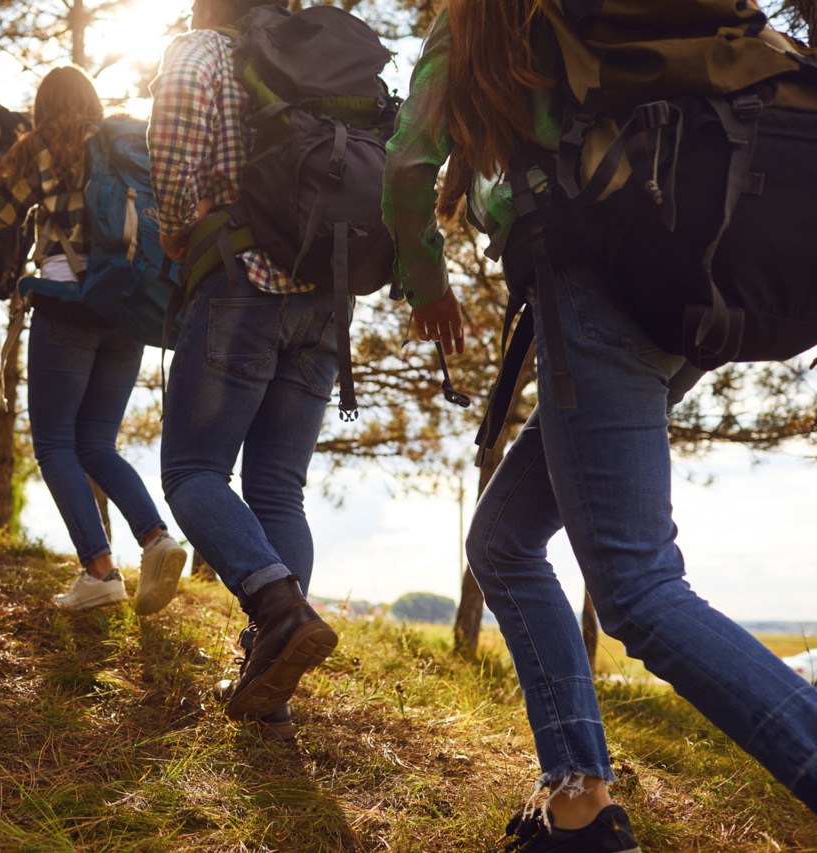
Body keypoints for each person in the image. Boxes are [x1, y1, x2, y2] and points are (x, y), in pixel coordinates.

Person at [382, 1, 817, 849]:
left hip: (596, 284)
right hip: (687, 286)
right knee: (503, 541)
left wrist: (423, 278)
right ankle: (578, 796)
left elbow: (407, 164)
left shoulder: (482, 13)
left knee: (639, 590)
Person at [149, 0, 342, 739]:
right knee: (276, 489)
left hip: (241, 281)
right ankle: (272, 682)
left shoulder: (200, 51)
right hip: (325, 300)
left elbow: (171, 139)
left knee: (192, 471)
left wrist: (174, 225)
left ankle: (277, 607)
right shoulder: (315, 58)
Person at [0, 66, 188, 614]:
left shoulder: (41, 143)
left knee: (54, 443)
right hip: (125, 308)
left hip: (67, 305)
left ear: (44, 103)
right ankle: (157, 540)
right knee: (97, 443)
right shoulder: (123, 145)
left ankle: (99, 572)